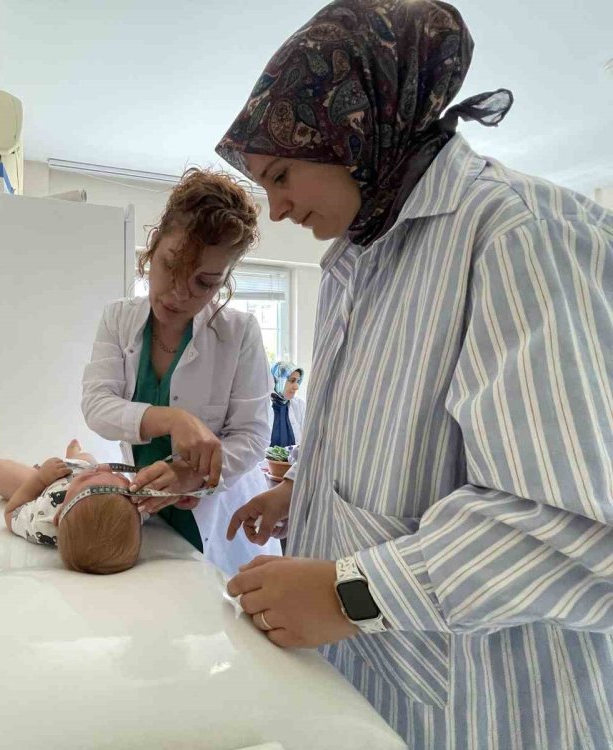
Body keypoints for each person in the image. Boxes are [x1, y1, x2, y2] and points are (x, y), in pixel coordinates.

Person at [216, 1, 613, 748]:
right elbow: (414, 446)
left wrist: (351, 593)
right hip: (373, 686)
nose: (275, 207)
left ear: (350, 129)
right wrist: (307, 489)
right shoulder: (361, 257)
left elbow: (579, 528)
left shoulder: (519, 235)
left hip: (492, 711)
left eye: (281, 174)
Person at [82, 168, 279, 575]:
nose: (181, 293)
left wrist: (194, 475)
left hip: (216, 510)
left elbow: (253, 435)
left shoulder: (238, 333)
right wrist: (173, 419)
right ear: (152, 249)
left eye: (205, 283)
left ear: (223, 282)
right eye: (171, 266)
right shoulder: (119, 319)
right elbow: (97, 406)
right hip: (146, 507)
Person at [0, 439, 197, 574]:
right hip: (80, 471)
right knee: (87, 460)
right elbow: (157, 500)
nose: (108, 470)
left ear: (58, 517)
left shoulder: (43, 519)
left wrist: (40, 479)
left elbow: (12, 510)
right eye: (118, 476)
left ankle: (68, 459)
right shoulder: (134, 511)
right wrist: (180, 496)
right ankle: (76, 455)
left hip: (49, 486)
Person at [269, 361, 305, 448]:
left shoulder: (300, 405)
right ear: (277, 381)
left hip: (294, 461)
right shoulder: (262, 406)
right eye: (292, 381)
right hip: (266, 461)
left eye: (298, 381)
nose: (296, 387)